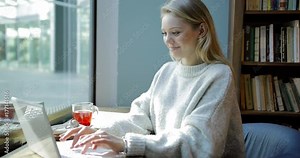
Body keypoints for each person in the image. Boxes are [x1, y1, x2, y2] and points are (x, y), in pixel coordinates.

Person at [60, 0, 245, 157]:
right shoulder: (166, 71)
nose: (168, 40)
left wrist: (127, 144)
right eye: (164, 33)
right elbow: (139, 118)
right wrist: (100, 132)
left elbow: (197, 143)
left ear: (202, 30)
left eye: (175, 32)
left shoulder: (219, 75)